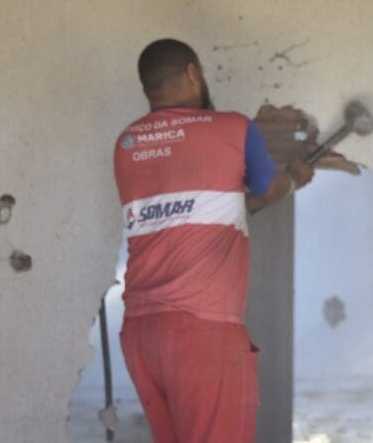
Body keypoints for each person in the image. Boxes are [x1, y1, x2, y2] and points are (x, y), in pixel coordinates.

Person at [113, 38, 314, 443]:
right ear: (193, 73)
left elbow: (186, 208)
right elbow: (267, 188)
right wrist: (295, 178)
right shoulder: (232, 128)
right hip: (202, 335)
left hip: (141, 334)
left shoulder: (127, 144)